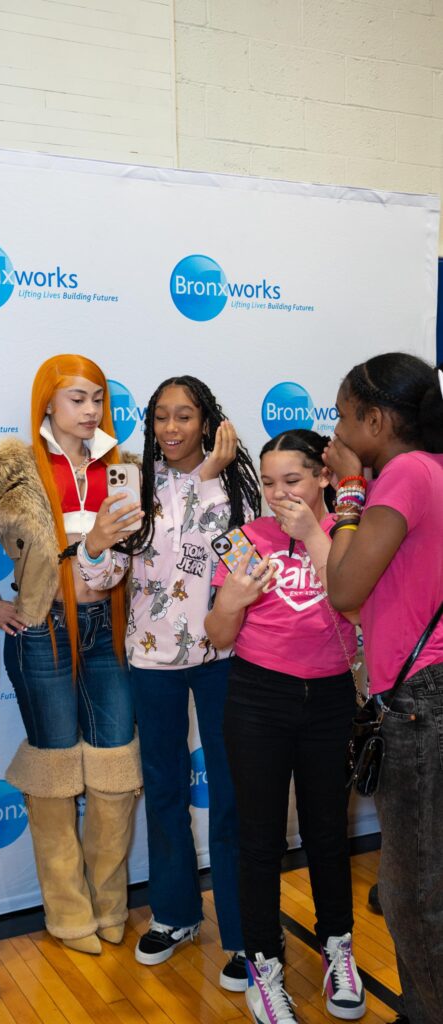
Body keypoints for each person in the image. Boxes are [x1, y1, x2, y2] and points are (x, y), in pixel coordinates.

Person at [77, 374, 260, 990]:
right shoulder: (133, 485)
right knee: (163, 790)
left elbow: (240, 560)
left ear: (207, 421)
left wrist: (209, 476)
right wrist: (97, 545)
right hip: (151, 659)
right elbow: (103, 581)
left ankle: (242, 933)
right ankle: (176, 914)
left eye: (185, 416)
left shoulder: (231, 485)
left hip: (223, 655)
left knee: (233, 796)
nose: (172, 429)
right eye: (161, 417)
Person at [0, 355, 142, 956]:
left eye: (97, 398)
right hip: (42, 628)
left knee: (117, 772)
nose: (90, 411)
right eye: (76, 399)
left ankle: (110, 903)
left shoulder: (124, 466)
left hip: (108, 627)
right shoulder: (10, 471)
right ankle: (68, 912)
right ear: (48, 403)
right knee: (55, 772)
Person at [206, 429, 366, 1024]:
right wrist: (232, 601)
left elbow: (354, 607)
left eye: (292, 481)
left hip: (329, 698)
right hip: (257, 699)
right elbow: (219, 636)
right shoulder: (246, 540)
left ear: (323, 476)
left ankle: (338, 950)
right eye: (269, 483)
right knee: (260, 837)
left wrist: (314, 538)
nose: (278, 495)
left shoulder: (349, 536)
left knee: (328, 831)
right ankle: (264, 968)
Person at [324, 353, 443, 1024]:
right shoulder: (431, 469)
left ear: (377, 418)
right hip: (429, 693)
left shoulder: (400, 474)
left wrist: (346, 490)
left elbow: (344, 590)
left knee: (410, 887)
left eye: (344, 416)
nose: (338, 429)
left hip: (418, 701)